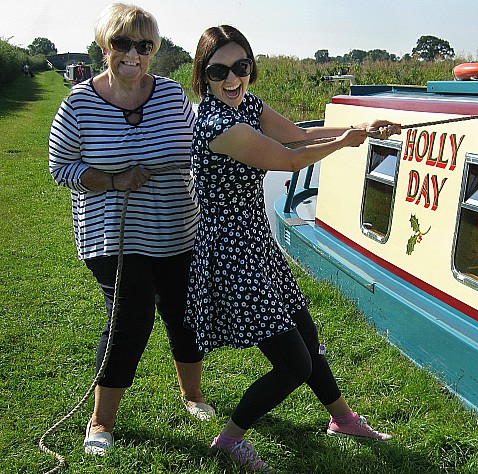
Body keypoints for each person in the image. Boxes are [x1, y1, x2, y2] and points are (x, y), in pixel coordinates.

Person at [184, 25, 401, 472]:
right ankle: (229, 439)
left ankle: (342, 419)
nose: (231, 79)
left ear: (251, 68)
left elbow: (299, 134)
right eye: (218, 70)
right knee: (292, 366)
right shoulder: (216, 125)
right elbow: (284, 158)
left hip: (256, 245)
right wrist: (343, 143)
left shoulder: (248, 105)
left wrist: (358, 126)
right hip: (230, 255)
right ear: (202, 76)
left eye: (240, 67)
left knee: (307, 336)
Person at [48, 3, 214, 456]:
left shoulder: (172, 95)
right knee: (131, 318)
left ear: (154, 50)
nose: (133, 54)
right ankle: (100, 421)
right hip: (111, 236)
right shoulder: (77, 104)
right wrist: (112, 179)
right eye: (123, 43)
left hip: (177, 229)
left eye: (145, 45)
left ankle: (193, 396)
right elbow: (60, 167)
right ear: (105, 46)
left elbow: (200, 148)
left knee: (184, 314)